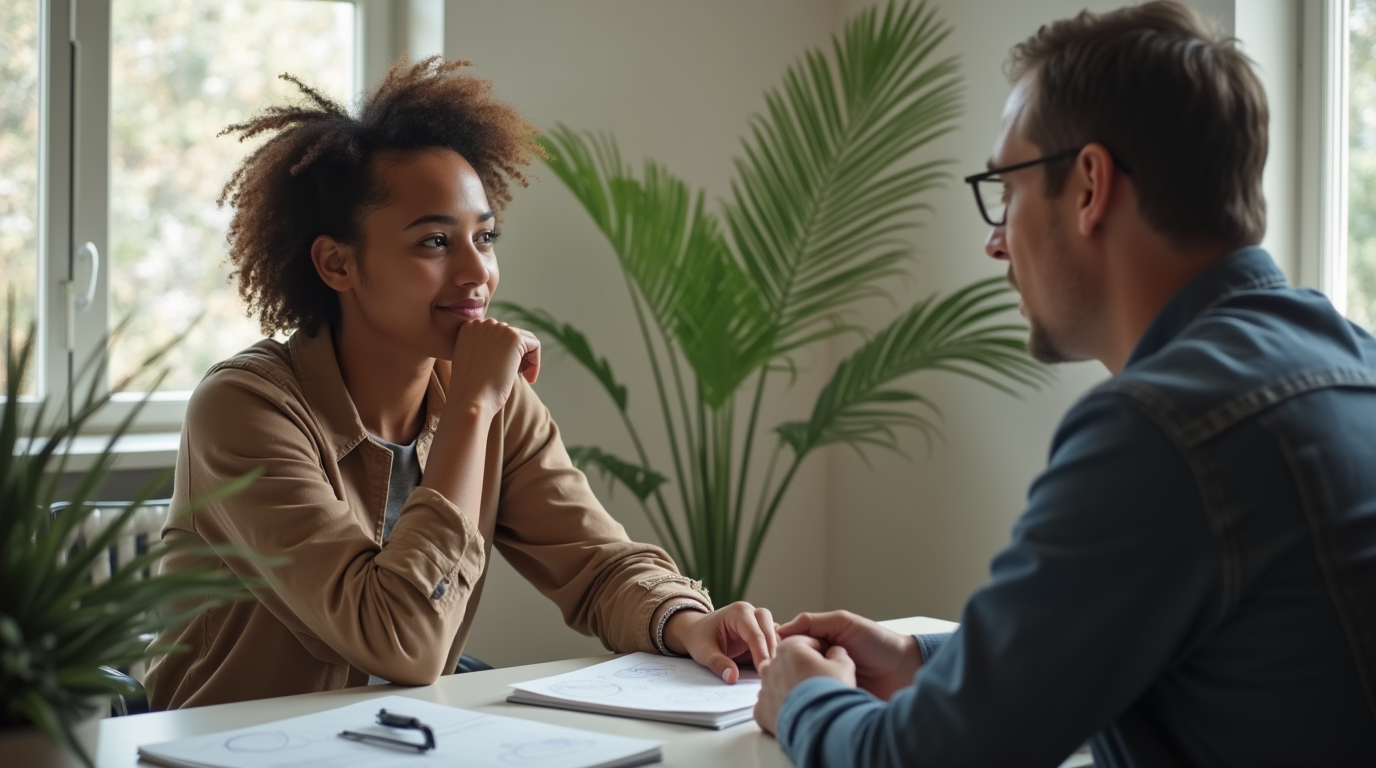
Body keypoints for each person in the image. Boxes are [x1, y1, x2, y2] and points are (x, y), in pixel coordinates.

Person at [753, 3, 1376, 766]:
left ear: (1089, 186)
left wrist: (804, 698)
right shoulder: (1349, 365)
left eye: (1004, 190)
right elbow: (1176, 642)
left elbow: (922, 760)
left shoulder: (1160, 427)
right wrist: (924, 658)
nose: (994, 241)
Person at [146, 57, 777, 710]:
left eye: (486, 236)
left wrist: (687, 623)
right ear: (338, 262)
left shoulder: (490, 394)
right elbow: (399, 641)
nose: (477, 271)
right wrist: (473, 405)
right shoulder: (246, 409)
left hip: (400, 740)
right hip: (231, 748)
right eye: (435, 243)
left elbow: (597, 564)